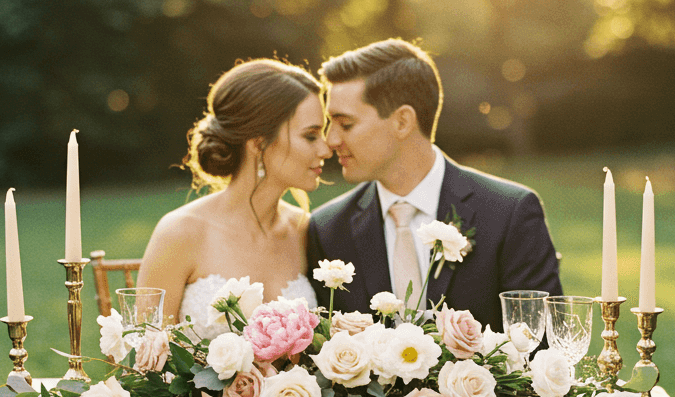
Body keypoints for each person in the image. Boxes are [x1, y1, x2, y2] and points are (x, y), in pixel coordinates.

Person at [307, 39, 562, 330]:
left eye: (345, 124)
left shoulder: (510, 214)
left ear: (402, 121)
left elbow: (539, 348)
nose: (331, 140)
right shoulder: (326, 230)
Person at [138, 59, 328, 335]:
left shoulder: (304, 230)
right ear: (258, 143)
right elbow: (141, 354)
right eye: (311, 136)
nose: (326, 149)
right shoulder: (180, 232)